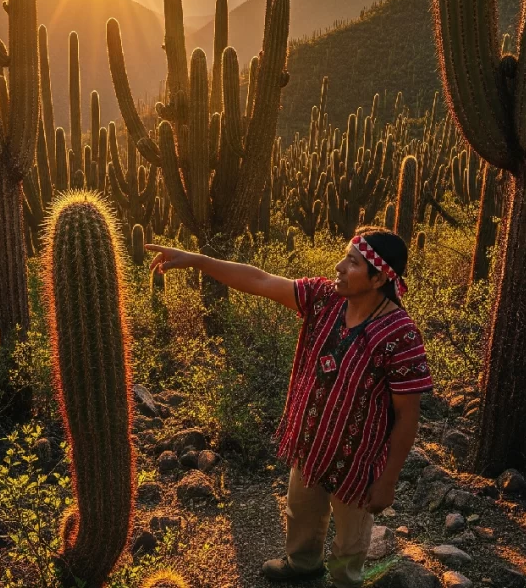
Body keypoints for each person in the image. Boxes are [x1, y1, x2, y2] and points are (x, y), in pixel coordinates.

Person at [145, 226, 432, 587]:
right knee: (301, 513)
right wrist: (199, 261)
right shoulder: (324, 298)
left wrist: (388, 481)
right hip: (310, 442)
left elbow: (408, 415)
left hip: (359, 460)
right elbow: (261, 280)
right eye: (345, 257)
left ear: (378, 279)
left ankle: (345, 580)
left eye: (353, 263)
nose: (340, 267)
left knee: (352, 536)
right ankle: (303, 565)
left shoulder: (400, 333)